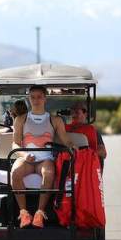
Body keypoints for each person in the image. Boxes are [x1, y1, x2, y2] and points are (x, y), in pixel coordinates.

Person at [12, 85, 77, 228]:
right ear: (29, 99)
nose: (36, 100)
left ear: (45, 99)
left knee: (48, 172)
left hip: (45, 159)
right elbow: (15, 145)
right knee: (15, 172)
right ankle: (24, 213)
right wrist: (24, 154)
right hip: (26, 159)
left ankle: (39, 213)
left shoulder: (55, 120)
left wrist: (73, 147)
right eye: (33, 97)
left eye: (39, 97)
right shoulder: (20, 119)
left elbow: (66, 140)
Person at [65, 101, 107, 170]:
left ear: (86, 114)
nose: (77, 112)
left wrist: (83, 154)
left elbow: (103, 153)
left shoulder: (93, 131)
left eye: (82, 110)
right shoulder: (63, 129)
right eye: (74, 110)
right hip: (67, 164)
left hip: (86, 166)